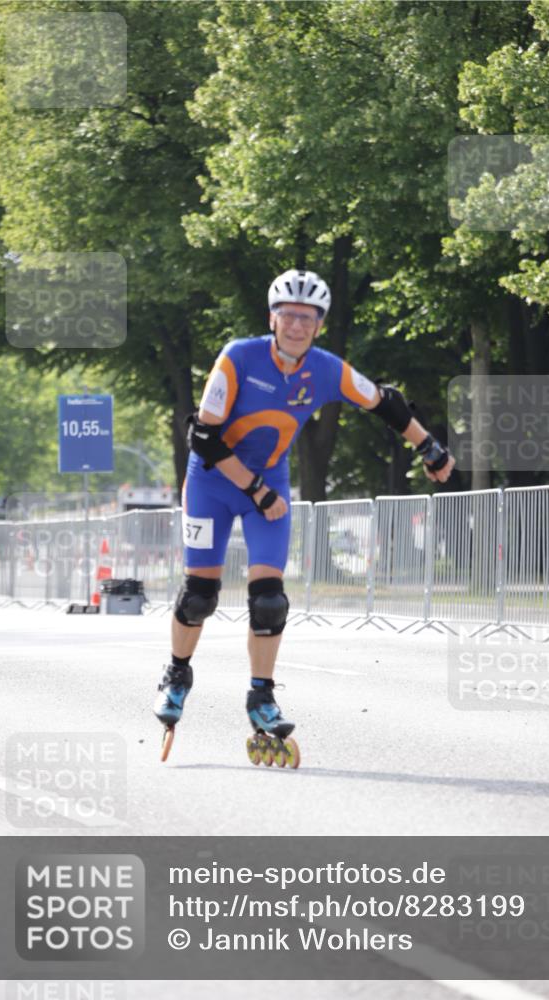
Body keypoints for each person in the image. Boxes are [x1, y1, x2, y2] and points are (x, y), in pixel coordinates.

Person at [153, 268, 454, 763]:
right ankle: (177, 673)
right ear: (272, 319)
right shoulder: (237, 357)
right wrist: (254, 490)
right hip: (212, 481)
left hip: (267, 481)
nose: (296, 325)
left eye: (307, 318)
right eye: (288, 315)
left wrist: (430, 447)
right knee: (199, 596)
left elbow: (385, 402)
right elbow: (203, 437)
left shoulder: (326, 369)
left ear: (319, 325)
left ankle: (261, 694)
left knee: (269, 600)